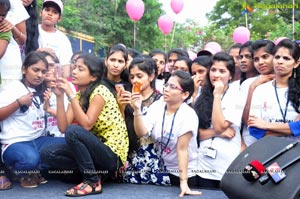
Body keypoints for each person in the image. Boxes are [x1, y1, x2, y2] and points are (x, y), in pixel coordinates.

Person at [41, 53, 129, 196]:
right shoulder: (79, 96)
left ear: (93, 76)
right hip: (97, 152)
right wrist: (60, 96)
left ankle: (92, 181)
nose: (74, 72)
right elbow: (63, 127)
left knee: (74, 131)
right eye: (74, 67)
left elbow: (87, 125)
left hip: (112, 156)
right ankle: (97, 175)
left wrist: (70, 95)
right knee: (47, 153)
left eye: (80, 69)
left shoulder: (100, 91)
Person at [0, 51, 66, 188]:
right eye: (35, 70)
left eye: (43, 71)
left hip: (39, 140)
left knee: (70, 145)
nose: (39, 75)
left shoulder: (43, 90)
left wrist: (48, 105)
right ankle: (20, 171)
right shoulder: (12, 89)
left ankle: (34, 170)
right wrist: (18, 103)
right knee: (30, 159)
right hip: (15, 142)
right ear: (24, 69)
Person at [131, 70, 202, 197]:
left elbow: (182, 150)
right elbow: (142, 133)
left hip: (184, 173)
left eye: (173, 87)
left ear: (185, 94)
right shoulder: (158, 105)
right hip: (161, 169)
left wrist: (184, 182)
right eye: (166, 85)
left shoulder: (188, 115)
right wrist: (137, 110)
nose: (166, 89)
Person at [194, 52, 242, 189]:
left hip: (226, 165)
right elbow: (197, 133)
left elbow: (220, 126)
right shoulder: (201, 95)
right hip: (202, 164)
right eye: (213, 70)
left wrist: (217, 96)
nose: (216, 75)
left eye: (222, 71)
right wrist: (217, 133)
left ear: (231, 75)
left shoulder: (237, 96)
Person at [121, 57, 170, 185]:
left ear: (151, 76)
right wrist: (122, 106)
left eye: (139, 76)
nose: (135, 81)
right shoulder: (127, 97)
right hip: (131, 154)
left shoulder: (161, 100)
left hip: (153, 153)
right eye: (132, 77)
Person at [248, 39, 300, 142]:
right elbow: (254, 130)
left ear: (296, 63)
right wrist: (292, 128)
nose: (280, 61)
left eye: (286, 58)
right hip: (269, 152)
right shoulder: (260, 90)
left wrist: (266, 125)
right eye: (277, 57)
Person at [240, 40, 275, 147]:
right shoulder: (247, 84)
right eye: (256, 59)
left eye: (265, 57)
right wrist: (253, 87)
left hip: (283, 141)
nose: (260, 62)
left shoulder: (288, 83)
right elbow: (246, 120)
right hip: (253, 144)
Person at [0, 0, 29, 86]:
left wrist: (12, 28)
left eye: (3, 15)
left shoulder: (16, 3)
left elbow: (23, 40)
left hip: (9, 67)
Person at [38, 0, 73, 65]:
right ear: (41, 13)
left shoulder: (63, 40)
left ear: (59, 18)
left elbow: (65, 65)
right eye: (47, 10)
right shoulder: (31, 31)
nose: (50, 14)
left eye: (55, 12)